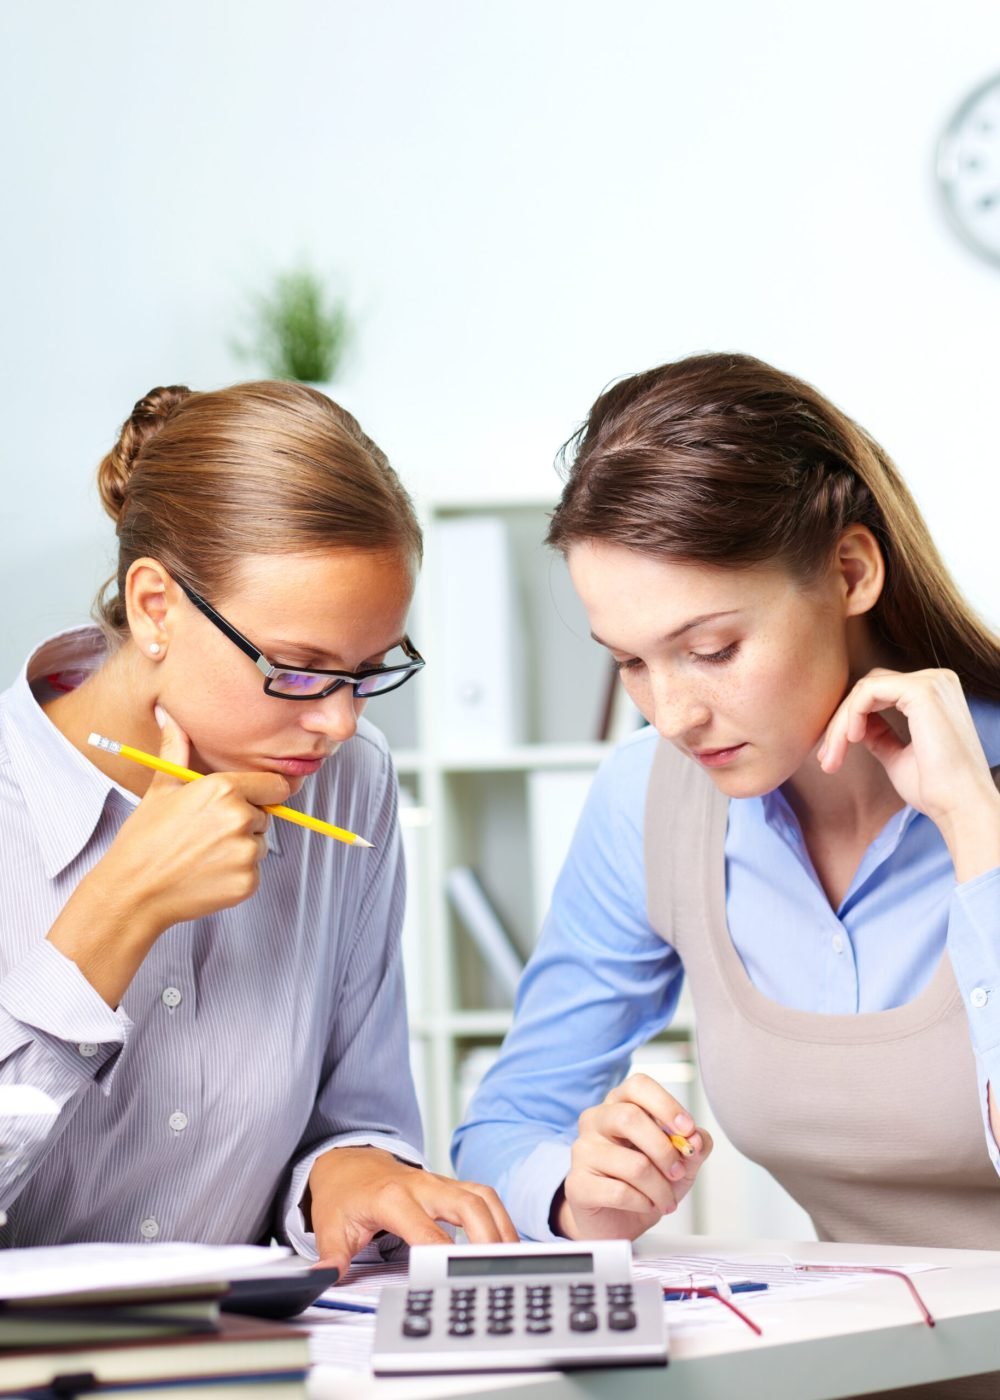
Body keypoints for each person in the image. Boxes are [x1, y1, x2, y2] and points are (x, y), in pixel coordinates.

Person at [453, 352, 1000, 1260]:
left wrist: (976, 829)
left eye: (710, 648)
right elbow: (506, 1126)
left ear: (852, 571)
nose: (670, 715)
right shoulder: (649, 802)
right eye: (629, 662)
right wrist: (577, 1194)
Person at [0, 380, 515, 1275]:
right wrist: (112, 918)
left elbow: (356, 1118)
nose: (340, 722)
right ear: (155, 607)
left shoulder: (347, 788)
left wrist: (348, 1173)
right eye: (300, 670)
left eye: (367, 671)